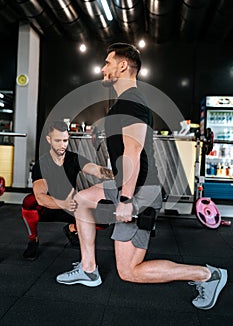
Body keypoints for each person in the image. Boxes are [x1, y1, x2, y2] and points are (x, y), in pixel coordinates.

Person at [56, 43, 227, 310]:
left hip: (138, 190)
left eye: (107, 62)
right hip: (128, 184)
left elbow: (133, 152)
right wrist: (103, 127)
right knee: (82, 200)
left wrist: (125, 200)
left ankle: (208, 275)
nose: (103, 68)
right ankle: (89, 268)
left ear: (122, 66)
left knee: (130, 271)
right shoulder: (124, 104)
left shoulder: (131, 101)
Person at [22, 120, 113, 260]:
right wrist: (62, 203)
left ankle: (71, 228)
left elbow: (96, 170)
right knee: (29, 202)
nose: (62, 145)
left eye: (65, 140)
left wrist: (117, 175)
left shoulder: (74, 158)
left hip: (71, 206)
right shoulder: (42, 164)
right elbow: (40, 197)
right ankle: (33, 239)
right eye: (57, 140)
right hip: (49, 207)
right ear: (49, 139)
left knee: (103, 220)